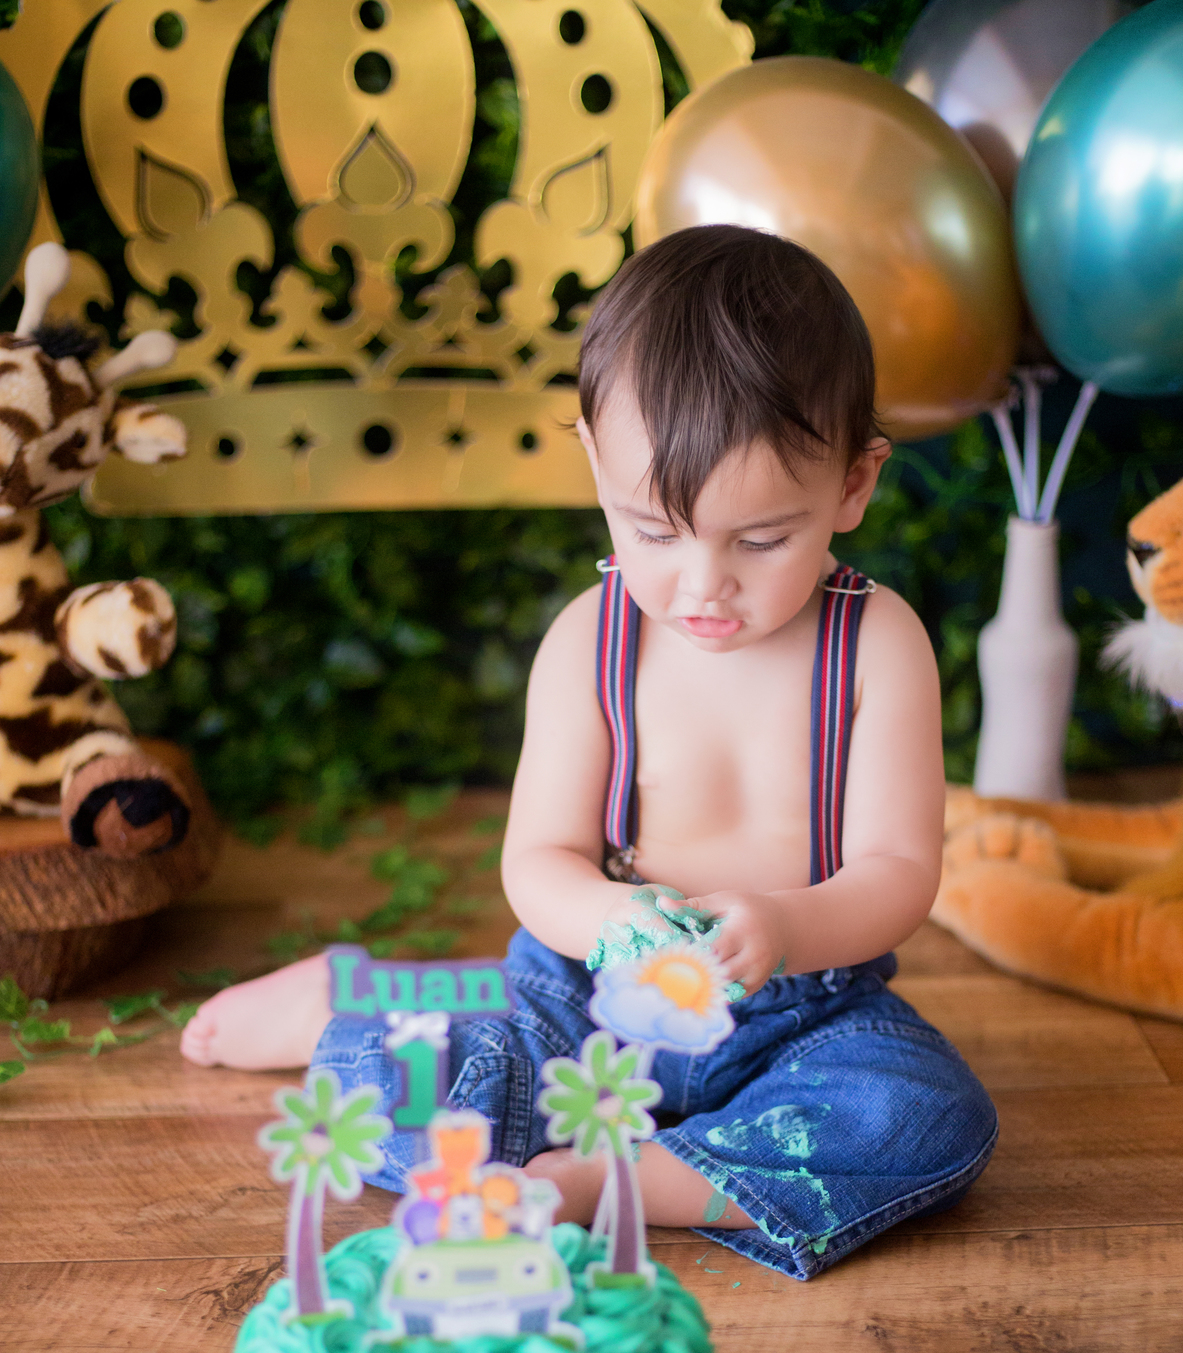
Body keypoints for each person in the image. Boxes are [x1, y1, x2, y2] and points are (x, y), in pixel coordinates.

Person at [182, 224, 997, 1281]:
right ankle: (350, 1001)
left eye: (760, 540)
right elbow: (539, 863)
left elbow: (899, 874)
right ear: (593, 462)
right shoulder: (592, 640)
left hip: (803, 1011)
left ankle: (606, 1182)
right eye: (654, 531)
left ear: (853, 483)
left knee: (924, 1114)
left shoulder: (878, 644)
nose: (703, 585)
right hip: (590, 997)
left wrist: (789, 925)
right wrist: (617, 919)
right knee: (415, 1079)